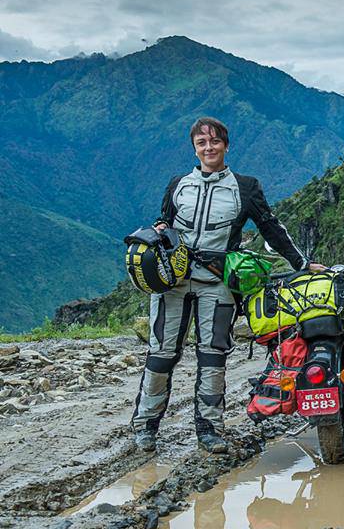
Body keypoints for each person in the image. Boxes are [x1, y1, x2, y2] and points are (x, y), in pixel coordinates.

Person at [131, 117, 323, 453]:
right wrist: (157, 233)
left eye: (215, 142)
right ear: (194, 148)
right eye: (202, 144)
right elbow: (165, 219)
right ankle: (145, 427)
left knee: (213, 356)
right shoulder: (178, 184)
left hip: (217, 282)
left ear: (226, 145)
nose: (209, 148)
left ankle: (209, 429)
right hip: (172, 281)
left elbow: (270, 227)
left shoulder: (245, 187)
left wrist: (302, 264)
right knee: (160, 354)